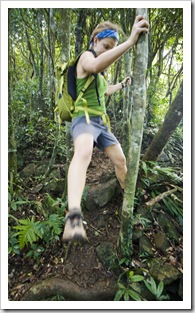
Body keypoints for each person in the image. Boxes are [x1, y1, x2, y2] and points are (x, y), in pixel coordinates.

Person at [62, 15, 149, 241]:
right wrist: (129, 42)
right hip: (84, 119)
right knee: (83, 153)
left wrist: (121, 84)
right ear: (95, 39)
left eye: (110, 48)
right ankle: (73, 218)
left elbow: (105, 91)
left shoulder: (98, 75)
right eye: (106, 46)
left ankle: (126, 197)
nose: (106, 51)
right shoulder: (85, 58)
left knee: (120, 161)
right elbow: (94, 64)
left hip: (102, 123)